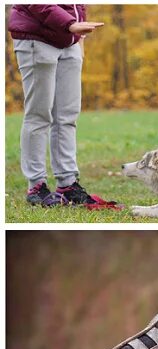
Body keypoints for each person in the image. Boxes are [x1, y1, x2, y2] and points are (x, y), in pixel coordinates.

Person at [8, 5, 103, 205]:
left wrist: (78, 38)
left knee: (67, 117)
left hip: (70, 40)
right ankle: (36, 186)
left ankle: (67, 184)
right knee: (39, 115)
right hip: (37, 37)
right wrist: (69, 24)